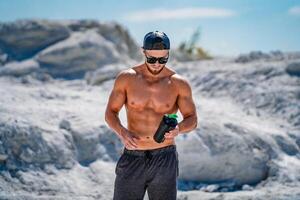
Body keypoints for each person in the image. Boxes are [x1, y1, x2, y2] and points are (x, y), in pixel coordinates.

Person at [105, 31, 198, 200]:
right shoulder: (126, 78)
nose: (157, 64)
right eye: (152, 59)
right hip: (133, 156)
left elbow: (192, 119)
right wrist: (122, 132)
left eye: (163, 59)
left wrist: (178, 129)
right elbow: (110, 113)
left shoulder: (179, 83)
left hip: (165, 157)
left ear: (168, 54)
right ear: (143, 52)